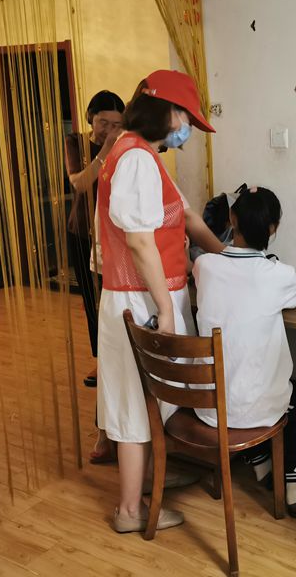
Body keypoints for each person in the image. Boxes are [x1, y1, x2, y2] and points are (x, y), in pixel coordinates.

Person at [96, 70, 225, 533]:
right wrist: (166, 310)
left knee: (147, 399)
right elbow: (138, 241)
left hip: (144, 295)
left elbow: (185, 217)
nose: (186, 129)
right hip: (142, 300)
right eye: (185, 118)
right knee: (137, 404)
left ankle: (148, 480)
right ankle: (130, 512)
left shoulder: (136, 152)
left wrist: (228, 257)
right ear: (166, 111)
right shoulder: (135, 158)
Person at [193, 187, 296, 518]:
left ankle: (262, 466)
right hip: (248, 408)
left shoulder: (203, 266)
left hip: (207, 406)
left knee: (244, 383)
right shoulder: (279, 276)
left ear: (232, 219)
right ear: (273, 228)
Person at [64, 90, 124, 463]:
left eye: (116, 124)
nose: (109, 129)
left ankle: (106, 357)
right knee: (92, 302)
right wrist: (105, 150)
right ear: (91, 119)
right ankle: (101, 357)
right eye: (103, 122)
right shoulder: (76, 143)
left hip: (112, 238)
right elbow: (80, 182)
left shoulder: (127, 146)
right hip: (83, 233)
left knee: (110, 304)